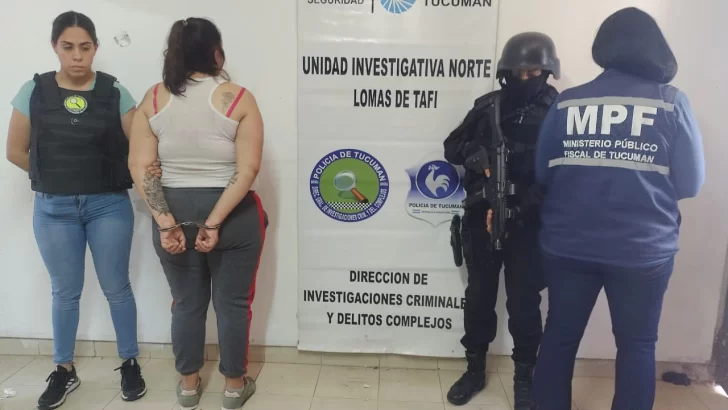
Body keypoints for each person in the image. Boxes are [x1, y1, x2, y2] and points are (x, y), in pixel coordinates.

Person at [531, 7, 705, 410]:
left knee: (559, 336)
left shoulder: (568, 103)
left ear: (604, 47)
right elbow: (690, 184)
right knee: (638, 344)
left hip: (568, 245)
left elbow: (543, 173)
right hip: (642, 251)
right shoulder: (671, 103)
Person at [4, 11, 152, 410]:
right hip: (54, 209)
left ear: (95, 48)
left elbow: (140, 147)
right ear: (55, 46)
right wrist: (52, 175)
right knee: (65, 292)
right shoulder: (34, 91)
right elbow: (15, 151)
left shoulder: (114, 91)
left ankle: (129, 362)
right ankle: (64, 369)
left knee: (116, 287)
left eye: (85, 47)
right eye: (68, 47)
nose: (76, 56)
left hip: (108, 205)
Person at [128, 17, 266, 410]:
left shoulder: (154, 99)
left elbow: (140, 166)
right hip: (234, 213)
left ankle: (188, 386)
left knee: (186, 303)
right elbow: (248, 169)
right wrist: (214, 221)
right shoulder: (238, 99)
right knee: (233, 303)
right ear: (217, 54)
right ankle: (234, 387)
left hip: (173, 210)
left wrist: (166, 223)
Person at [444, 33, 560, 408]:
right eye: (518, 72)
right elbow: (451, 147)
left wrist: (520, 207)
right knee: (479, 297)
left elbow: (561, 172)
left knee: (524, 304)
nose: (525, 78)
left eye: (534, 72)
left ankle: (525, 377)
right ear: (506, 71)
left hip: (529, 222)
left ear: (547, 71)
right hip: (483, 219)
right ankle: (474, 369)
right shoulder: (488, 106)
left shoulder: (559, 112)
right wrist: (476, 155)